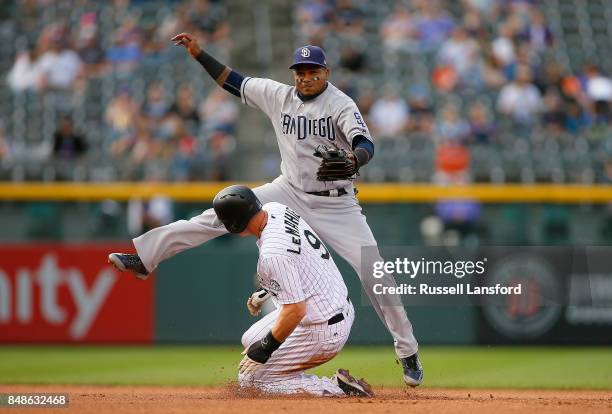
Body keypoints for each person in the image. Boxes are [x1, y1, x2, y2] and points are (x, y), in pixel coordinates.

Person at [107, 32, 423, 386]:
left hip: (337, 203)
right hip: (287, 189)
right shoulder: (279, 96)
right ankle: (145, 258)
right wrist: (199, 54)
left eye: (312, 70)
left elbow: (365, 143)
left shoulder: (340, 104)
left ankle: (407, 350)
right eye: (300, 71)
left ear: (326, 72)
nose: (305, 76)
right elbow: (233, 81)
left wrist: (355, 158)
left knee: (374, 271)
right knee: (219, 214)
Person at [202, 185, 373, 396]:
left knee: (252, 382)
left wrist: (266, 347)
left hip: (321, 328)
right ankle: (288, 378)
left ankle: (337, 388)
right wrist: (268, 291)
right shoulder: (276, 209)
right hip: (330, 303)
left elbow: (295, 310)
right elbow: (298, 261)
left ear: (235, 224)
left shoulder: (273, 253)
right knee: (250, 339)